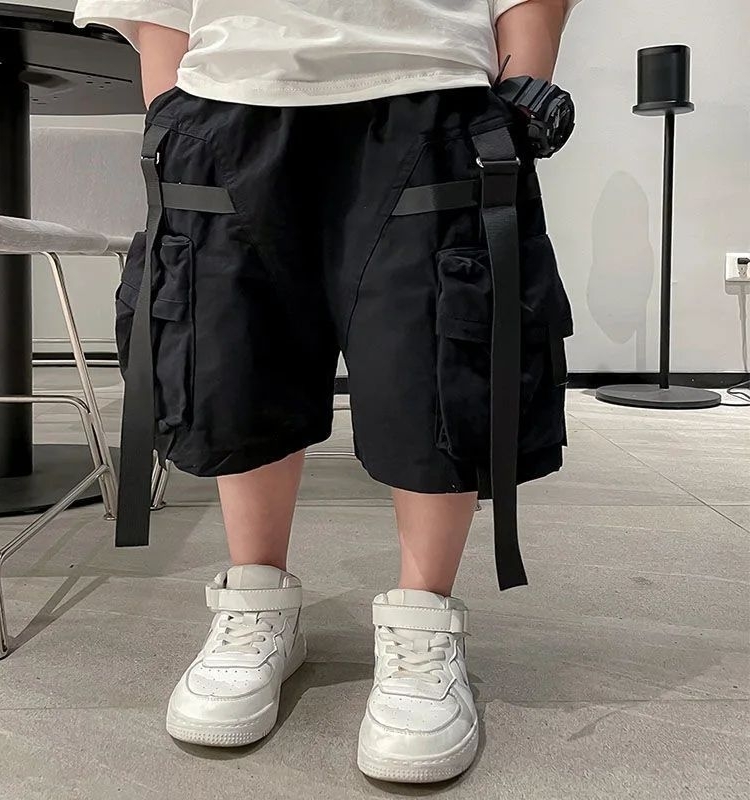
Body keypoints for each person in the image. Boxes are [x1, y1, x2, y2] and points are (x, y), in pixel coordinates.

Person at [75, 0, 579, 783]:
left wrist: (523, 85)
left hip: (430, 84)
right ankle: (256, 601)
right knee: (234, 357)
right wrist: (172, 104)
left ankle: (423, 621)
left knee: (435, 360)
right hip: (230, 90)